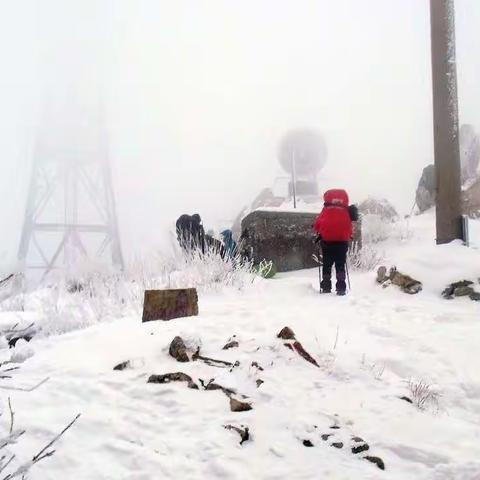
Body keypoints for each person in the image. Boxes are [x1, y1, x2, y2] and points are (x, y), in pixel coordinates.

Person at [313, 189, 353, 296]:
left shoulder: (326, 210)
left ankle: (326, 286)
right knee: (340, 264)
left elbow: (317, 224)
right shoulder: (345, 211)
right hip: (342, 242)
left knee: (327, 264)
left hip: (327, 242)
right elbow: (349, 226)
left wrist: (320, 232)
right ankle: (341, 287)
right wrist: (348, 235)